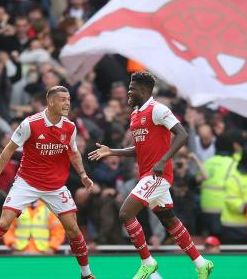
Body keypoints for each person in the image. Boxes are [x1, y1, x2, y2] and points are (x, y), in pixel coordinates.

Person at [0, 86, 95, 279]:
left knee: (73, 229)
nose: (67, 103)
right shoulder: (31, 123)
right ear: (51, 101)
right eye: (63, 99)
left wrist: (82, 174)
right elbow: (9, 149)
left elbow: (73, 152)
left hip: (55, 185)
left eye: (69, 99)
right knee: (4, 223)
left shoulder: (69, 127)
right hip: (27, 182)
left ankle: (86, 275)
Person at [89, 71, 214, 279]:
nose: (128, 92)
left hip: (158, 175)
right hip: (147, 175)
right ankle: (201, 263)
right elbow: (139, 149)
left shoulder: (158, 110)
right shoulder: (135, 114)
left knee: (125, 213)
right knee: (168, 219)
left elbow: (182, 134)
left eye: (132, 88)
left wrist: (164, 160)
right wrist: (112, 151)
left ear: (144, 90)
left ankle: (148, 263)